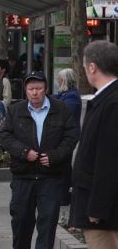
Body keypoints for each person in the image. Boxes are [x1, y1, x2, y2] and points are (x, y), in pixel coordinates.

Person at [1, 71, 77, 249]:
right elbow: (6, 136)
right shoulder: (15, 110)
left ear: (46, 89)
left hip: (50, 177)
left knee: (48, 221)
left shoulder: (60, 110)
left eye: (39, 88)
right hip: (24, 176)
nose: (35, 93)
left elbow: (71, 137)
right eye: (31, 89)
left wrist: (54, 156)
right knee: (22, 220)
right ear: (26, 91)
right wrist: (24, 152)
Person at [69, 40, 118, 249]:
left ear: (92, 67)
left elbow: (109, 160)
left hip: (106, 214)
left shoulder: (111, 102)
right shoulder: (107, 99)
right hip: (105, 209)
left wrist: (96, 210)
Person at [52, 68, 82, 206]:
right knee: (63, 165)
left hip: (69, 136)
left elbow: (63, 112)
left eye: (59, 78)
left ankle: (64, 196)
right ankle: (63, 194)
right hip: (63, 135)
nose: (57, 81)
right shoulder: (64, 95)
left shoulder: (72, 97)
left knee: (64, 166)